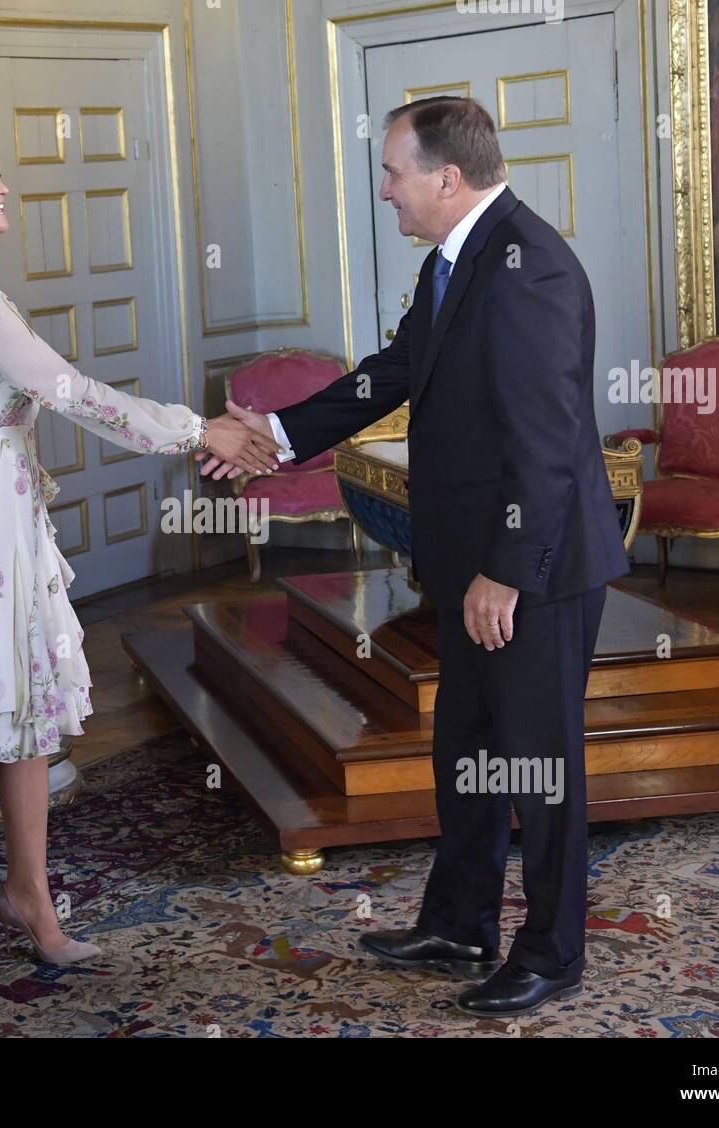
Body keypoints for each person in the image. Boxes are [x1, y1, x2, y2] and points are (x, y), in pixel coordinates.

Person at [200, 97, 627, 1017]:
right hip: (478, 561)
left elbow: (550, 445)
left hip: (534, 569)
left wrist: (507, 570)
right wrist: (273, 429)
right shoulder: (457, 260)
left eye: (393, 172)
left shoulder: (530, 269)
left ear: (447, 175)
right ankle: (461, 922)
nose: (384, 190)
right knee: (468, 748)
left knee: (536, 765)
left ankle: (552, 952)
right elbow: (391, 374)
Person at [0, 125, 280, 988]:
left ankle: (32, 899)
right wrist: (194, 428)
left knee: (18, 708)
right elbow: (69, 392)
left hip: (5, 512)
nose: (3, 191)